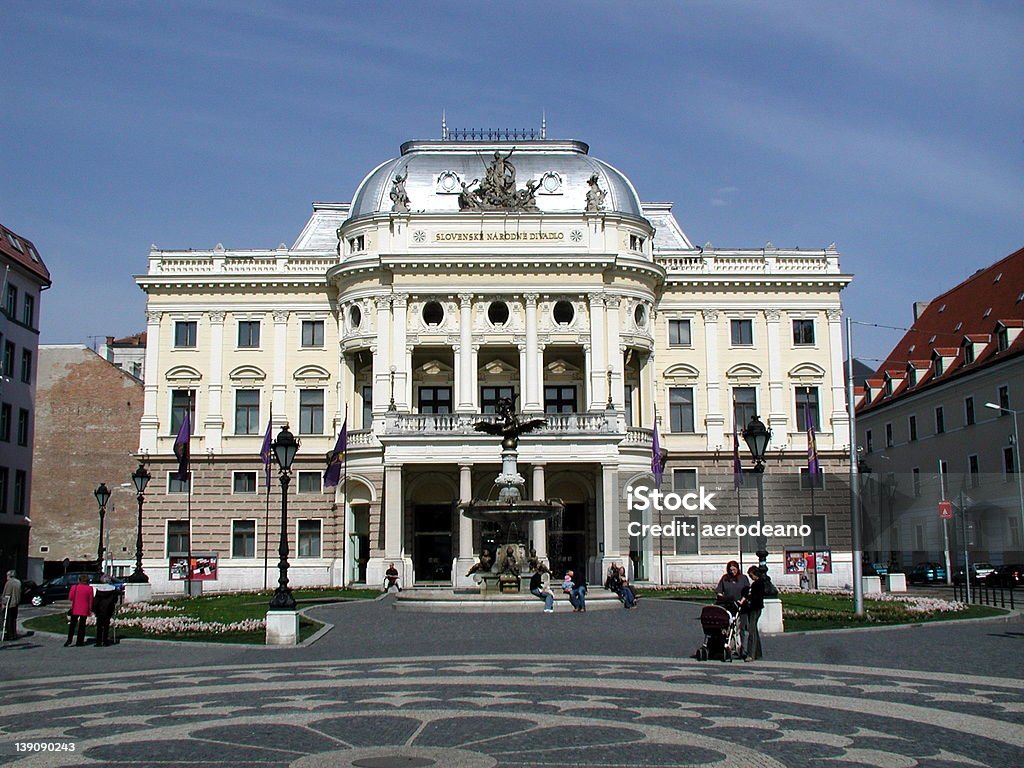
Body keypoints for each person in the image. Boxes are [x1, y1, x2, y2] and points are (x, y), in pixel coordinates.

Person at [739, 565, 765, 662]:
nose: (750, 577)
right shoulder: (759, 583)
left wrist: (748, 599)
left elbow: (755, 597)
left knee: (752, 631)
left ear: (755, 574)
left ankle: (751, 654)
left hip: (754, 608)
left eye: (751, 575)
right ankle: (758, 653)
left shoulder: (757, 584)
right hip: (756, 608)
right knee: (754, 631)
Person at [66, 574, 94, 647]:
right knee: (82, 626)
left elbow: (70, 598)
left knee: (72, 625)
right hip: (84, 609)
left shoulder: (74, 587)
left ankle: (69, 640)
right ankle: (79, 641)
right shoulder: (90, 588)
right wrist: (90, 610)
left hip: (75, 608)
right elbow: (91, 600)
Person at [92, 576, 119, 647]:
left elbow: (96, 601)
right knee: (106, 625)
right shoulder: (112, 589)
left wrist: (95, 609)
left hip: (100, 609)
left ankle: (98, 641)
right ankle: (105, 641)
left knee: (99, 626)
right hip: (108, 609)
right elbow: (115, 600)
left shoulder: (99, 590)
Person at [2, 570, 22, 641]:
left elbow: (7, 594)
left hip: (10, 604)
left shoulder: (9, 583)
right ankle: (14, 634)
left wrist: (4, 603)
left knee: (8, 620)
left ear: (9, 576)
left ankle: (9, 635)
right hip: (16, 603)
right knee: (13, 619)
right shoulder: (18, 582)